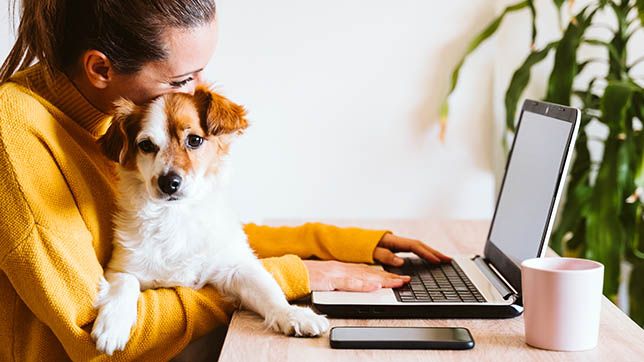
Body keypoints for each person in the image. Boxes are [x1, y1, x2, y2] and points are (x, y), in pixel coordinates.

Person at [0, 1, 451, 361]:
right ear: (101, 69)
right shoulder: (15, 133)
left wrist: (340, 244)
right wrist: (286, 279)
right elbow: (90, 335)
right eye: (182, 77)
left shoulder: (112, 118)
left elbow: (192, 241)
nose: (198, 91)